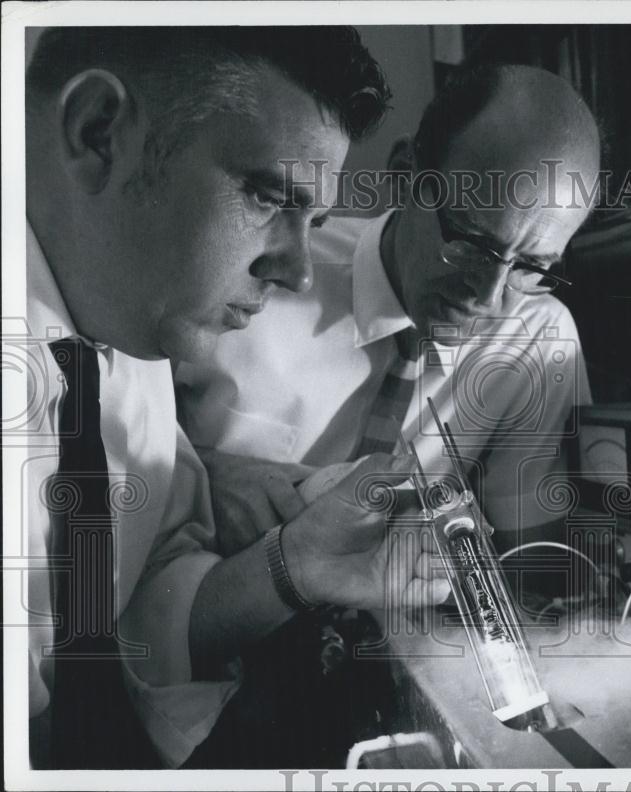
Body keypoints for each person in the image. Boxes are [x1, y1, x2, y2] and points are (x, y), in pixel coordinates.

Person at [22, 26, 447, 770]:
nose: (299, 273)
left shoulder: (130, 327)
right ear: (98, 132)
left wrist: (296, 563)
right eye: (268, 197)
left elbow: (138, 620)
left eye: (314, 223)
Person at [175, 64, 602, 560]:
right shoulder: (248, 272)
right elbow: (108, 433)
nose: (488, 297)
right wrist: (198, 475)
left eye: (532, 266)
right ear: (403, 178)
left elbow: (532, 563)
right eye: (470, 243)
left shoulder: (538, 340)